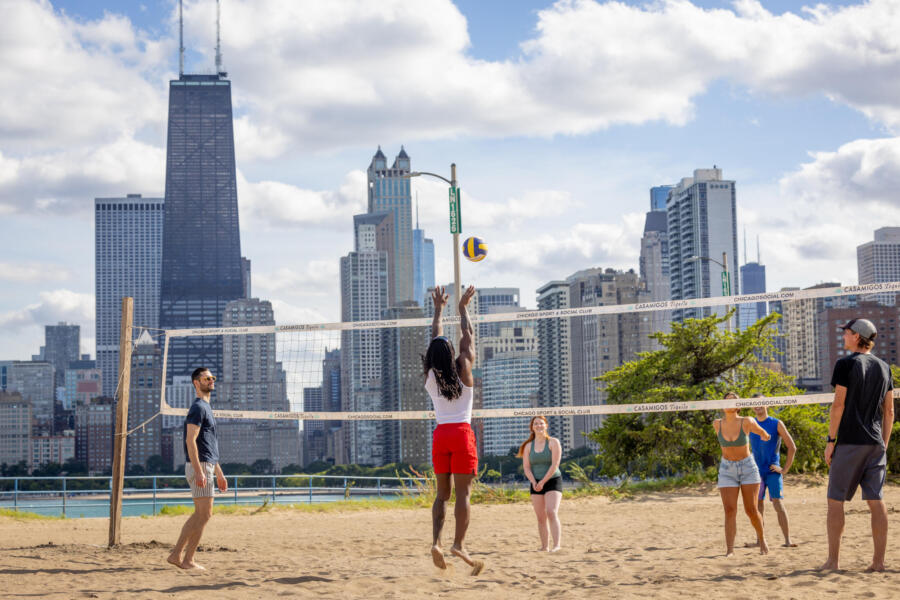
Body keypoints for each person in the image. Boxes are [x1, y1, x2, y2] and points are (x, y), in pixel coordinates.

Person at [820, 318, 894, 572]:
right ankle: (878, 563)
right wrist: (883, 443)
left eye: (847, 333)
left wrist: (831, 440)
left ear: (857, 337)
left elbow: (838, 405)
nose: (844, 336)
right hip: (876, 443)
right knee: (876, 501)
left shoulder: (845, 364)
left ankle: (833, 562)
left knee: (835, 501)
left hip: (851, 441)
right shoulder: (885, 367)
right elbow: (890, 412)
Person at [424, 284, 484, 575]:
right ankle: (458, 544)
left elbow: (435, 339)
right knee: (464, 495)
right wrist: (462, 309)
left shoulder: (431, 378)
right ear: (451, 353)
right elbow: (468, 338)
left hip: (441, 435)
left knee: (441, 495)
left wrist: (438, 310)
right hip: (461, 433)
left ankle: (436, 541)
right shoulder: (464, 369)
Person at [167, 367, 227, 570]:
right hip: (199, 466)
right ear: (196, 383)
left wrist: (218, 472)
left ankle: (187, 559)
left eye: (212, 378)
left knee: (203, 515)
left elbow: (208, 445)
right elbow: (190, 441)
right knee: (203, 514)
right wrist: (200, 470)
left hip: (207, 464)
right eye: (206, 378)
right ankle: (178, 556)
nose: (211, 380)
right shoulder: (198, 407)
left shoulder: (207, 407)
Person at [714, 392, 771, 556]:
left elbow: (761, 432)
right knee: (729, 510)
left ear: (739, 405)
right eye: (727, 399)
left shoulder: (747, 421)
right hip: (727, 469)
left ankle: (762, 540)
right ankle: (730, 550)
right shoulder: (717, 424)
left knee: (751, 510)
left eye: (734, 399)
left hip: (747, 468)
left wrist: (765, 436)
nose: (730, 401)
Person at [747, 400, 797, 548]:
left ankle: (788, 540)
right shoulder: (750, 424)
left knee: (778, 504)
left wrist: (785, 469)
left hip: (772, 471)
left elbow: (792, 447)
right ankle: (759, 540)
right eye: (754, 403)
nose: (758, 405)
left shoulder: (776, 423)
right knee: (757, 506)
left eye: (761, 402)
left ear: (767, 404)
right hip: (756, 472)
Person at [518, 415, 563, 552]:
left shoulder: (553, 442)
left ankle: (556, 545)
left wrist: (543, 482)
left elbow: (555, 464)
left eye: (541, 423)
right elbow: (526, 467)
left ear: (546, 425)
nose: (538, 426)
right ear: (532, 427)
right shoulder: (528, 446)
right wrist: (534, 482)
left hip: (552, 480)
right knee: (540, 517)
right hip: (535, 481)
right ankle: (544, 546)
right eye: (535, 424)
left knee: (551, 512)